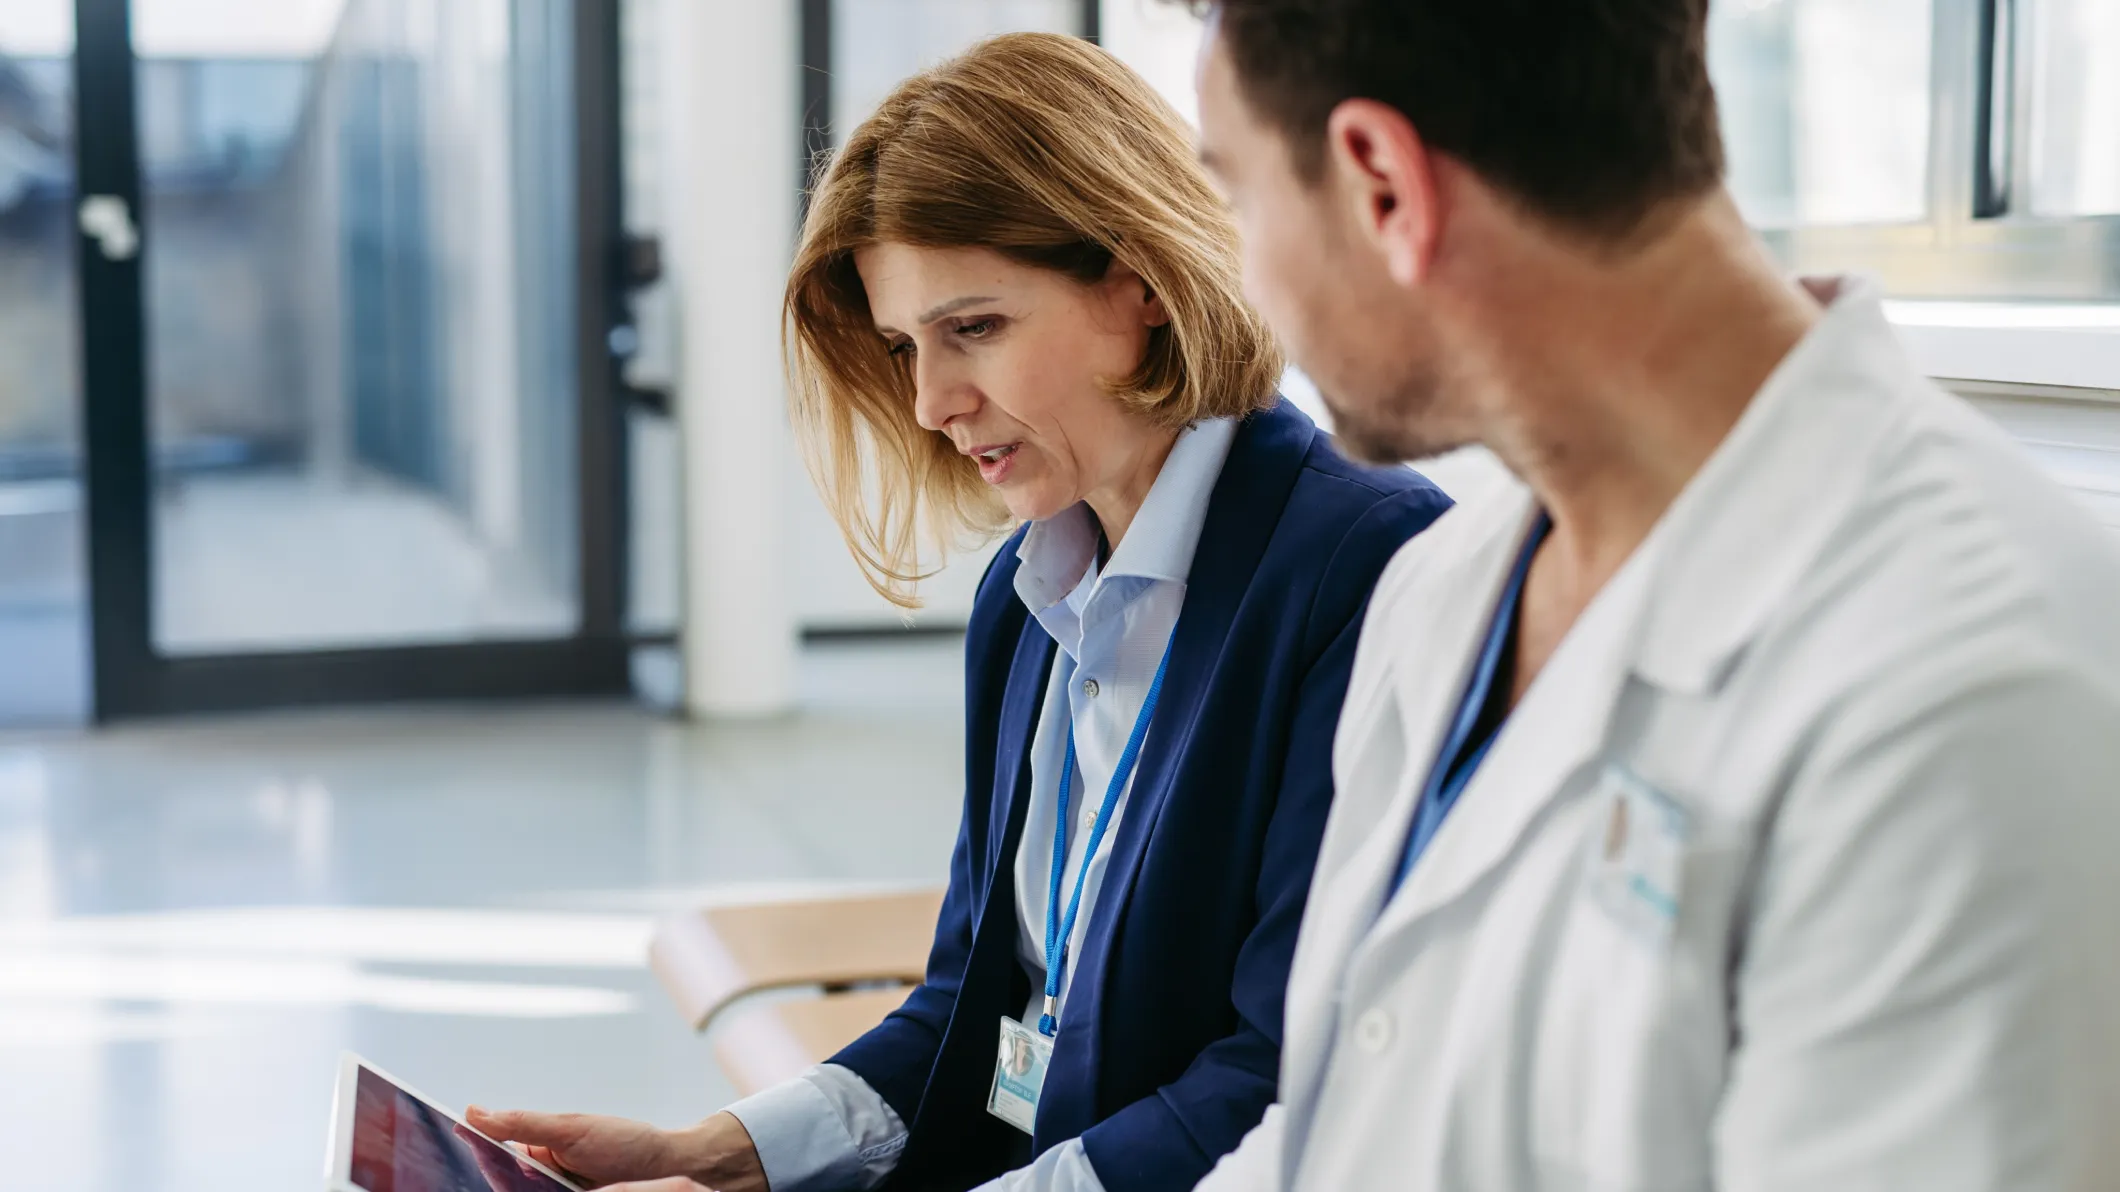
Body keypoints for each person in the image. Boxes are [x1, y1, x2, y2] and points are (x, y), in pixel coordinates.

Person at [468, 31, 1451, 1192]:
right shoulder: (1027, 596)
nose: (931, 401)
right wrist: (719, 1156)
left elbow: (1283, 1073)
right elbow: (975, 1009)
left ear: (1141, 281)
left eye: (973, 328)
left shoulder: (1364, 568)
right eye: (904, 346)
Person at [1177, 1, 2120, 1189]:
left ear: (1382, 184)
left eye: (1235, 196)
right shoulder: (1439, 588)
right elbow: (1333, 1131)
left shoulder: (1969, 692)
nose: (1245, 275)